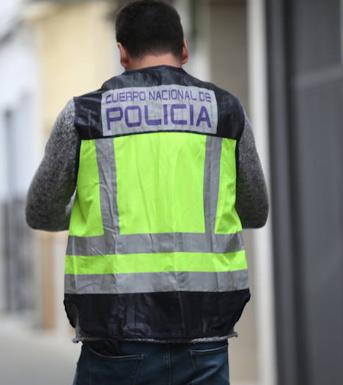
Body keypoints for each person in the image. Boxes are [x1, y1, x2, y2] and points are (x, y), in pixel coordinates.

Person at [26, 1, 268, 384]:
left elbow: (40, 212)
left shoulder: (84, 115)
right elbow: (256, 212)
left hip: (115, 335)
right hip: (203, 334)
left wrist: (88, 209)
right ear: (183, 48)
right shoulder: (226, 112)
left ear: (121, 52)